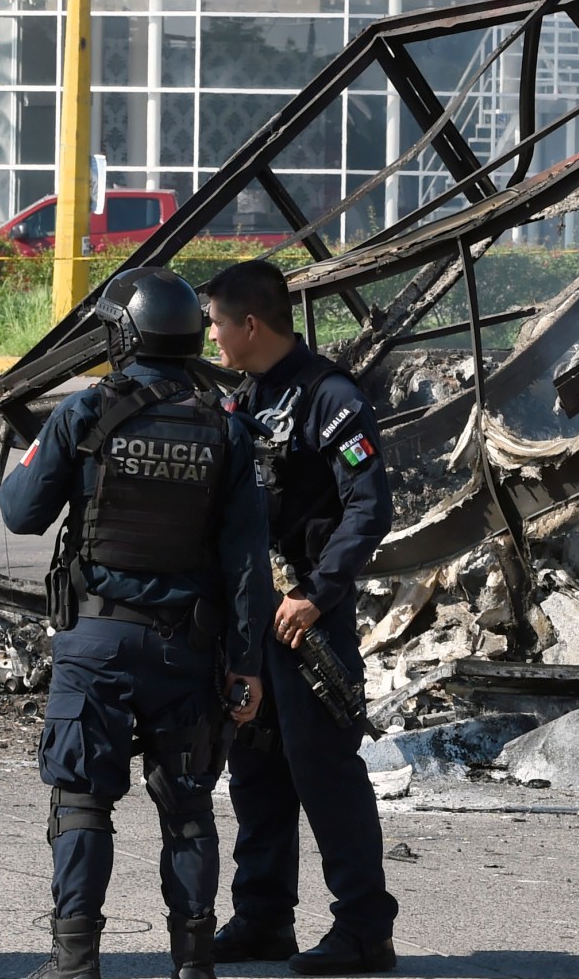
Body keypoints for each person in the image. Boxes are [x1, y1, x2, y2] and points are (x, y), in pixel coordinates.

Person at [0, 268, 272, 979]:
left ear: (122, 334)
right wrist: (247, 664)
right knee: (187, 809)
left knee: (84, 800)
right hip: (190, 647)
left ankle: (73, 961)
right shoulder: (226, 426)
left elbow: (22, 513)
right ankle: (193, 963)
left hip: (97, 642)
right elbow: (248, 564)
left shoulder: (87, 413)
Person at [205, 259, 399, 975]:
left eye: (218, 324)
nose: (212, 338)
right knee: (256, 772)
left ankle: (364, 931)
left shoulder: (331, 397)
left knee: (324, 772)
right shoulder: (243, 398)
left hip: (307, 620)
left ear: (250, 324)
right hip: (253, 619)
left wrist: (318, 592)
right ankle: (262, 918)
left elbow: (369, 507)